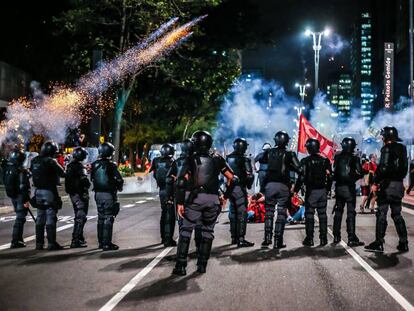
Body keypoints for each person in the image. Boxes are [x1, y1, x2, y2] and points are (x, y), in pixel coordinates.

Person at [172, 130, 236, 275]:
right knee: (208, 232)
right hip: (212, 200)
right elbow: (233, 178)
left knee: (186, 230)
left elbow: (181, 181)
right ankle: (202, 265)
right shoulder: (217, 158)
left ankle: (181, 266)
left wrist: (180, 203)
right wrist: (225, 196)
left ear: (194, 143)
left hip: (193, 199)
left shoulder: (189, 158)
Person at [365, 126, 409, 253]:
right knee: (397, 214)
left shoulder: (386, 149)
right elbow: (404, 169)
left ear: (386, 138)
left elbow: (383, 167)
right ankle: (403, 242)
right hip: (398, 185)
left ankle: (379, 242)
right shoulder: (403, 148)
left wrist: (375, 182)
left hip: (387, 186)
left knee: (381, 213)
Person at [262, 131, 302, 249]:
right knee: (281, 213)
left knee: (269, 212)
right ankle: (277, 241)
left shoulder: (268, 152)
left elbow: (262, 161)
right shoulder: (290, 154)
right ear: (287, 141)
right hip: (283, 186)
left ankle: (267, 239)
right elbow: (299, 169)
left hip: (269, 185)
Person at [294, 138, 332, 247]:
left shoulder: (305, 161)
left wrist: (295, 190)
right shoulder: (325, 161)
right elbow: (330, 176)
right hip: (322, 191)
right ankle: (323, 238)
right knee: (322, 215)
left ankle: (309, 239)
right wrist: (328, 189)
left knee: (309, 215)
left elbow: (301, 178)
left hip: (311, 192)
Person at [30, 141, 66, 250]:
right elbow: (62, 173)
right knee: (51, 217)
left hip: (38, 192)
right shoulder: (51, 161)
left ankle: (39, 244)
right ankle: (51, 243)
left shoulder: (34, 160)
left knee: (40, 217)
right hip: (49, 191)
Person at [91, 142, 124, 251]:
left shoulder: (94, 164)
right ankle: (106, 243)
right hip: (108, 194)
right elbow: (119, 179)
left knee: (101, 217)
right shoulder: (111, 165)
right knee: (108, 218)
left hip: (97, 194)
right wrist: (119, 186)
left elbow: (92, 178)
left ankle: (101, 242)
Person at [332, 137, 364, 246]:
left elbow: (335, 171)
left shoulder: (337, 156)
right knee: (350, 213)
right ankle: (351, 237)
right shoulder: (355, 157)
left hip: (339, 187)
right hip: (349, 188)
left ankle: (336, 236)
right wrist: (352, 177)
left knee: (338, 212)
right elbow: (360, 172)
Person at [226, 138, 255, 247]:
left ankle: (234, 237)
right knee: (242, 213)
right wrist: (248, 185)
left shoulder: (228, 158)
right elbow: (249, 175)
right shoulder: (244, 159)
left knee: (233, 213)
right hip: (239, 188)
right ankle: (241, 239)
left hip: (230, 187)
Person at [3, 149, 30, 248]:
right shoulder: (20, 170)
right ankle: (16, 240)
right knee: (20, 218)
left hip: (12, 195)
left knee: (19, 217)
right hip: (20, 196)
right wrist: (26, 200)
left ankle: (18, 239)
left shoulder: (7, 168)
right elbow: (23, 186)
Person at [150, 143, 177, 247]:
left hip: (161, 190)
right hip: (170, 190)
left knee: (164, 213)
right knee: (170, 215)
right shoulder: (172, 162)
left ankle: (163, 238)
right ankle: (168, 239)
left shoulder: (156, 161)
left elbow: (154, 174)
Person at [65, 147, 91, 248]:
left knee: (79, 215)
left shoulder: (70, 166)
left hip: (72, 194)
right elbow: (85, 181)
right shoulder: (80, 167)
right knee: (81, 216)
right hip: (80, 194)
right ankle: (76, 239)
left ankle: (79, 237)